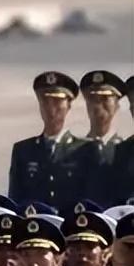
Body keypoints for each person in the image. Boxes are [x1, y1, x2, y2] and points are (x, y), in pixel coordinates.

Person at [8, 72, 90, 210]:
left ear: (68, 105)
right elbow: (15, 199)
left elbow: (91, 199)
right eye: (45, 101)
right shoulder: (23, 150)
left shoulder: (85, 150)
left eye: (57, 101)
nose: (51, 108)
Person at [79, 71, 127, 205]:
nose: (98, 106)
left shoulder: (128, 152)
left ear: (117, 105)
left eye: (105, 99)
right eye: (93, 99)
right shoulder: (72, 153)